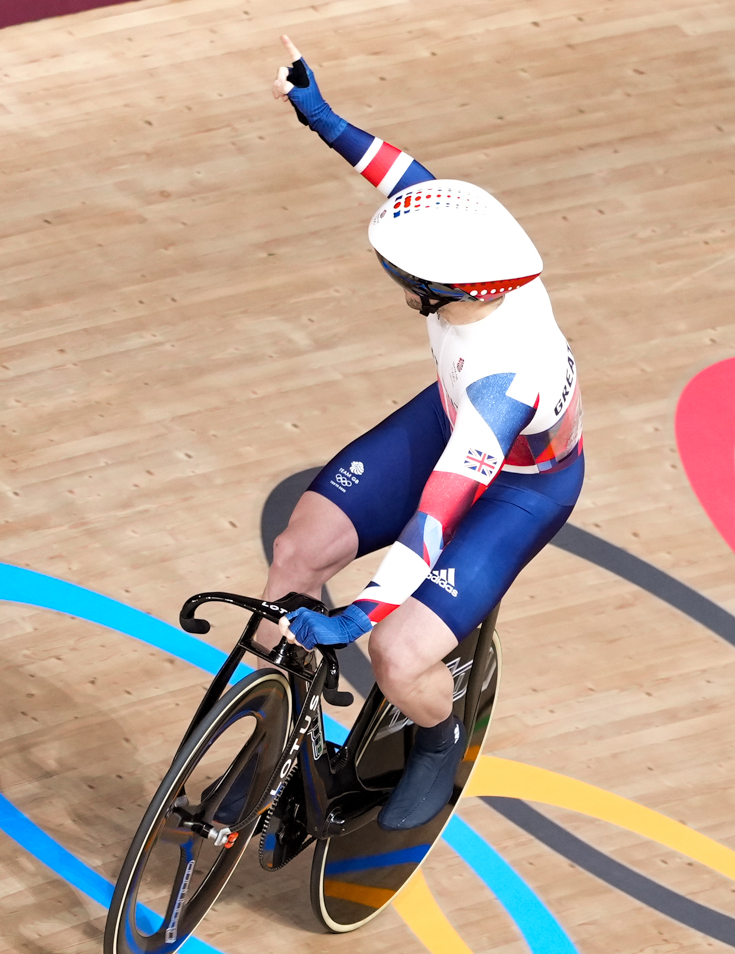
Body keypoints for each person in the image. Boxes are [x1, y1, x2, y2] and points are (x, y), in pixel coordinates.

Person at [260, 37, 585, 832]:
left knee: (398, 656)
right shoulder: (478, 260)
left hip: (517, 484)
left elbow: (433, 520)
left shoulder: (507, 382)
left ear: (442, 288)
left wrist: (358, 616)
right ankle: (268, 734)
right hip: (448, 419)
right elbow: (413, 184)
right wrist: (321, 117)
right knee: (298, 552)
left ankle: (438, 742)